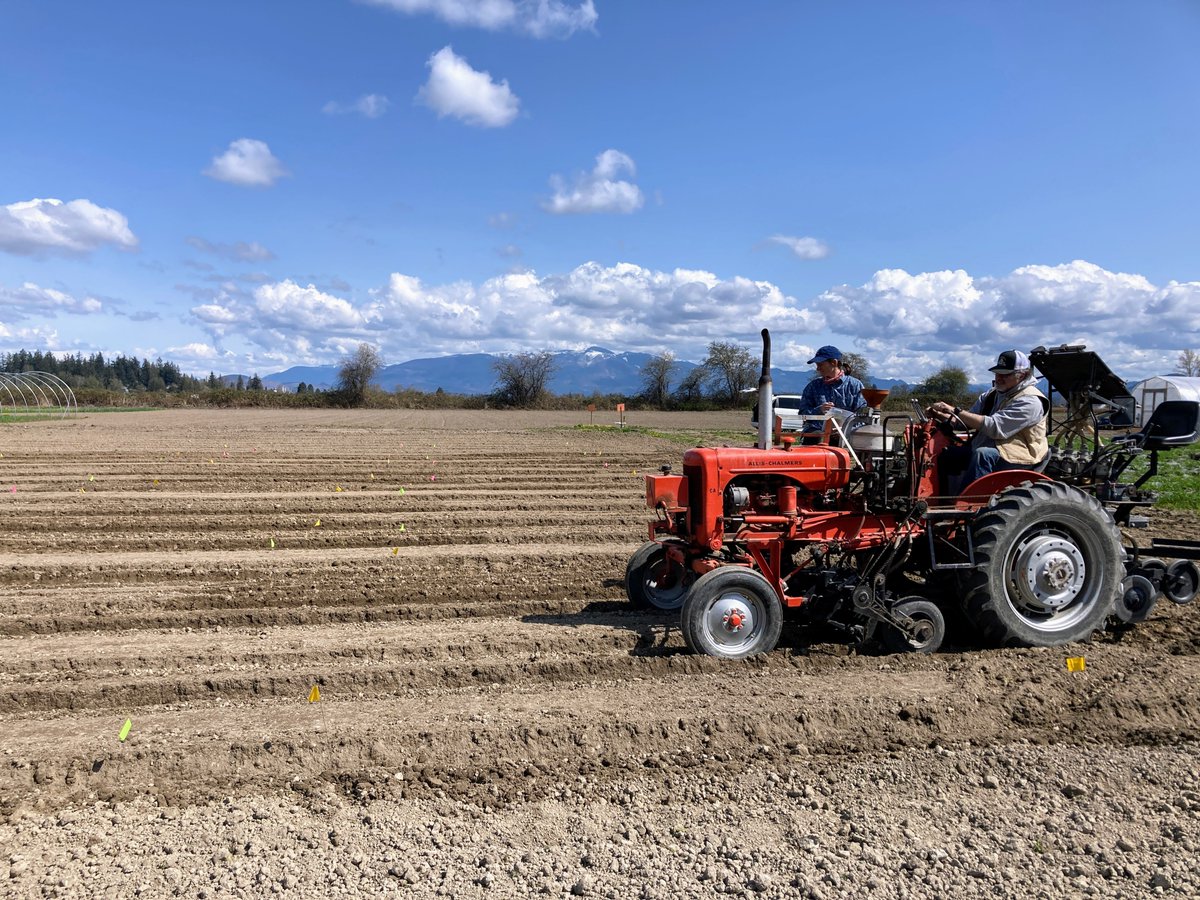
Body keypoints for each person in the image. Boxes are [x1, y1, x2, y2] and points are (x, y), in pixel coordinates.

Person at [928, 349, 1049, 488]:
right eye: (997, 373)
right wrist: (940, 415)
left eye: (1005, 374)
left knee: (983, 455)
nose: (999, 378)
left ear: (1022, 375)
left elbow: (995, 429)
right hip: (993, 447)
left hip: (1021, 455)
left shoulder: (1030, 401)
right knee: (946, 454)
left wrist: (955, 410)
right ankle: (940, 496)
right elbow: (965, 422)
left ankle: (971, 499)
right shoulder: (992, 394)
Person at [798, 345, 866, 433]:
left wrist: (845, 430)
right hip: (816, 435)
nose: (818, 369)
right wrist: (819, 410)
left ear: (834, 362)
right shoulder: (813, 386)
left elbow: (862, 416)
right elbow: (803, 413)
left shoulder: (855, 385)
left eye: (820, 365)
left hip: (845, 435)